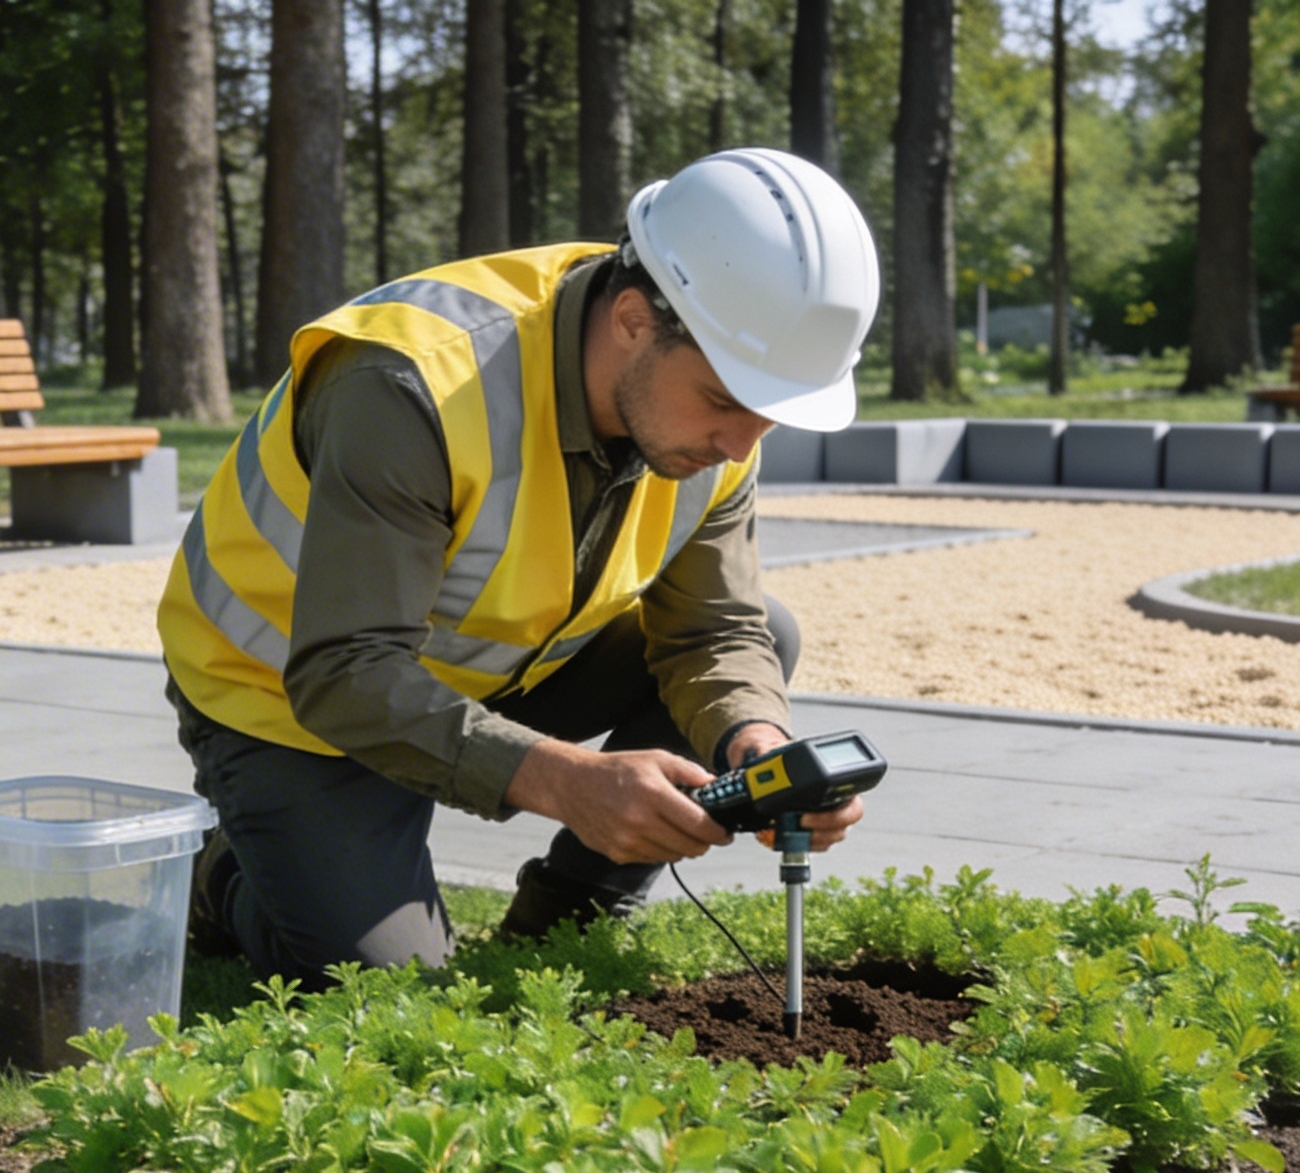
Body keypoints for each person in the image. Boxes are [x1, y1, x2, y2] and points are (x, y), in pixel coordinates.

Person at [158, 146, 883, 982]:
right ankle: (221, 876)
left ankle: (566, 919)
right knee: (390, 986)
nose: (741, 444)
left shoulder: (713, 414)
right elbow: (344, 672)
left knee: (767, 635)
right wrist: (564, 779)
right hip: (287, 698)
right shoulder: (409, 384)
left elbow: (713, 630)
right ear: (633, 319)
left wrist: (755, 743)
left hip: (481, 673)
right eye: (724, 401)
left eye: (771, 414)